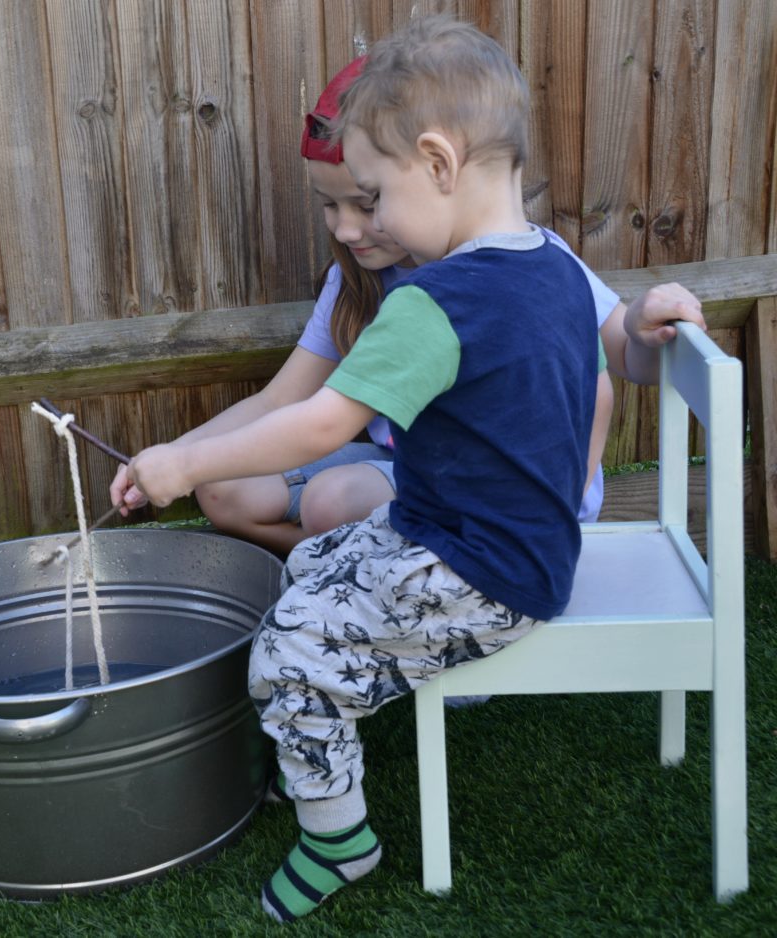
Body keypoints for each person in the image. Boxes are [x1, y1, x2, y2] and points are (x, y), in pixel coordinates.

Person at [111, 15, 704, 922]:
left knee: (288, 643)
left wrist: (183, 462)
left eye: (378, 194)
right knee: (314, 565)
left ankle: (338, 840)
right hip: (504, 545)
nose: (372, 221)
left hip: (482, 572)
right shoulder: (551, 265)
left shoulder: (437, 300)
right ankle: (317, 742)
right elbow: (624, 353)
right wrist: (650, 326)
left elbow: (320, 424)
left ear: (437, 162)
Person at [111, 57, 699, 557]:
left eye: (370, 202)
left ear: (435, 172)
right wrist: (171, 456)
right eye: (329, 206)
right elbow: (279, 401)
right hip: (404, 464)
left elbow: (625, 360)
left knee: (329, 500)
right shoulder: (357, 281)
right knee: (224, 488)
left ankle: (364, 577)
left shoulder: (531, 267)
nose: (347, 229)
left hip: (499, 499)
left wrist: (644, 326)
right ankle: (335, 566)